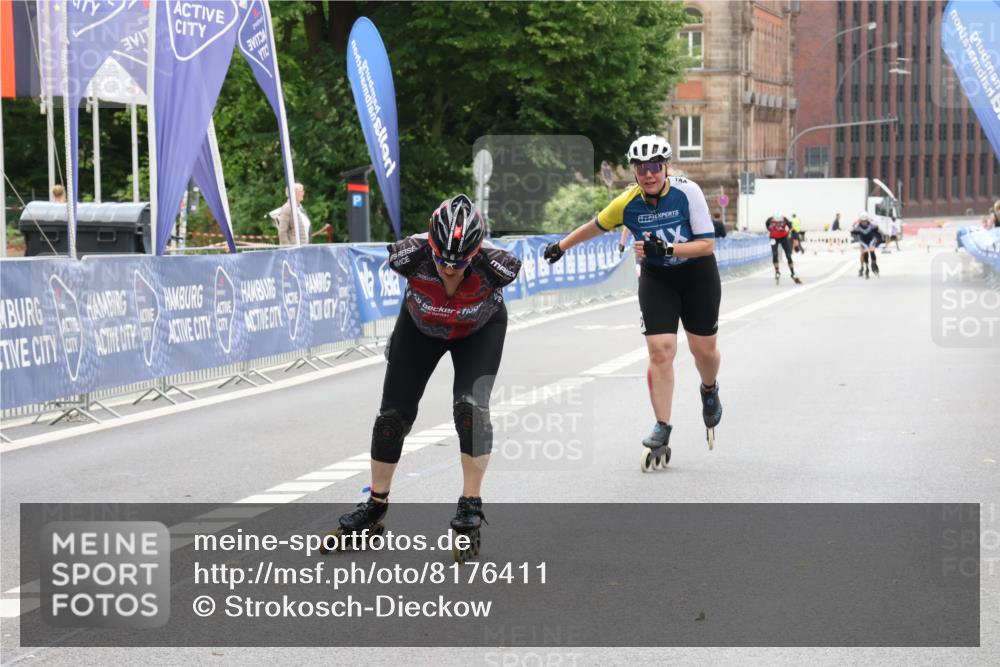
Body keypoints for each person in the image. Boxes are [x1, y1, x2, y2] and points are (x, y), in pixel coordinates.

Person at [330, 194, 521, 561]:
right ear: (430, 246)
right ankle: (375, 505)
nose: (448, 269)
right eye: (441, 260)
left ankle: (470, 503)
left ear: (475, 253)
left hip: (479, 329)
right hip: (420, 327)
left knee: (470, 409)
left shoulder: (500, 265)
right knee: (392, 417)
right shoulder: (407, 255)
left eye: (459, 263)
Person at [541, 134, 723, 468]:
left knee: (704, 351)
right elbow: (595, 226)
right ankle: (662, 425)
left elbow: (706, 245)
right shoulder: (627, 202)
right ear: (634, 171)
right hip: (658, 279)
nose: (648, 174)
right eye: (641, 168)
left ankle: (709, 389)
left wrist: (667, 249)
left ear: (666, 167)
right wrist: (561, 246)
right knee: (660, 350)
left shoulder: (688, 192)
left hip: (697, 275)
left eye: (655, 167)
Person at [765, 212, 801, 284]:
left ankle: (792, 273)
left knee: (788, 255)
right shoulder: (770, 220)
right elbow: (767, 225)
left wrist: (793, 237)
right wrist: (771, 230)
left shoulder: (784, 219)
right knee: (775, 254)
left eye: (780, 222)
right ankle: (777, 271)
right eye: (776, 222)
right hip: (773, 238)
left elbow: (791, 228)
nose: (778, 223)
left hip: (783, 237)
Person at [851, 211, 882, 278]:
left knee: (872, 250)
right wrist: (857, 222)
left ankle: (874, 264)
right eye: (862, 221)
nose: (864, 222)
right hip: (863, 240)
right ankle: (864, 267)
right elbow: (854, 228)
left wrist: (870, 220)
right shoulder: (858, 224)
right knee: (863, 253)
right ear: (860, 220)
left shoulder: (870, 223)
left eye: (865, 221)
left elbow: (876, 225)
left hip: (871, 239)